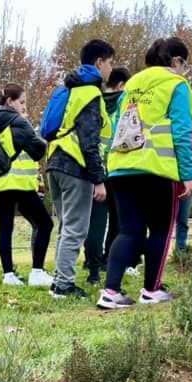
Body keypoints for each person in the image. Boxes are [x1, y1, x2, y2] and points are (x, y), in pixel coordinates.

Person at [97, 36, 192, 310]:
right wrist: (187, 173)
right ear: (176, 61)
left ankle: (110, 291)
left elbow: (118, 122)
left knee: (129, 230)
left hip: (121, 167)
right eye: (184, 64)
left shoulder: (131, 85)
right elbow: (182, 130)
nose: (184, 70)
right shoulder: (176, 84)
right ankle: (151, 289)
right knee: (162, 229)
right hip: (157, 167)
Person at [46, 39, 114, 299]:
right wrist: (99, 180)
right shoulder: (90, 94)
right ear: (99, 62)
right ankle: (63, 285)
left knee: (66, 227)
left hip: (55, 162)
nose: (110, 68)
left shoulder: (70, 89)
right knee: (76, 229)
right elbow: (89, 142)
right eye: (110, 63)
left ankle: (58, 282)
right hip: (76, 166)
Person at [0, 83, 55, 286]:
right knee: (45, 224)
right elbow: (38, 150)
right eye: (22, 102)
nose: (24, 107)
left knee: (6, 228)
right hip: (19, 183)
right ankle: (37, 272)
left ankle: (8, 275)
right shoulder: (18, 122)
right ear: (10, 102)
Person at [83, 66, 130, 284]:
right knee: (119, 220)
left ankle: (91, 263)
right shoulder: (126, 102)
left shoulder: (95, 101)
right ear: (121, 85)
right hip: (119, 169)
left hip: (95, 168)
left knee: (95, 221)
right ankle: (109, 259)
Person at [174, 131, 192, 253]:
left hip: (185, 187)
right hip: (168, 184)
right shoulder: (169, 133)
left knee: (183, 220)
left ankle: (180, 249)